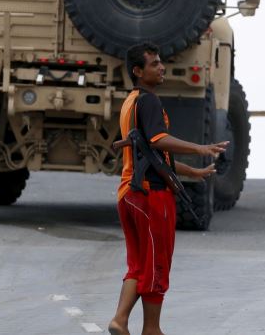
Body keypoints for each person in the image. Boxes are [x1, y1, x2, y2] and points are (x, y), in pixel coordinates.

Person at [108, 42, 228, 335]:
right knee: (157, 264)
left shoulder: (130, 101)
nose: (162, 68)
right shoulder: (149, 101)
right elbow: (158, 140)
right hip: (150, 195)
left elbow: (152, 155)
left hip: (128, 194)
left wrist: (193, 171)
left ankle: (120, 321)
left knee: (138, 264)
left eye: (161, 62)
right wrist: (200, 148)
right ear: (138, 71)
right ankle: (152, 329)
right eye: (154, 64)